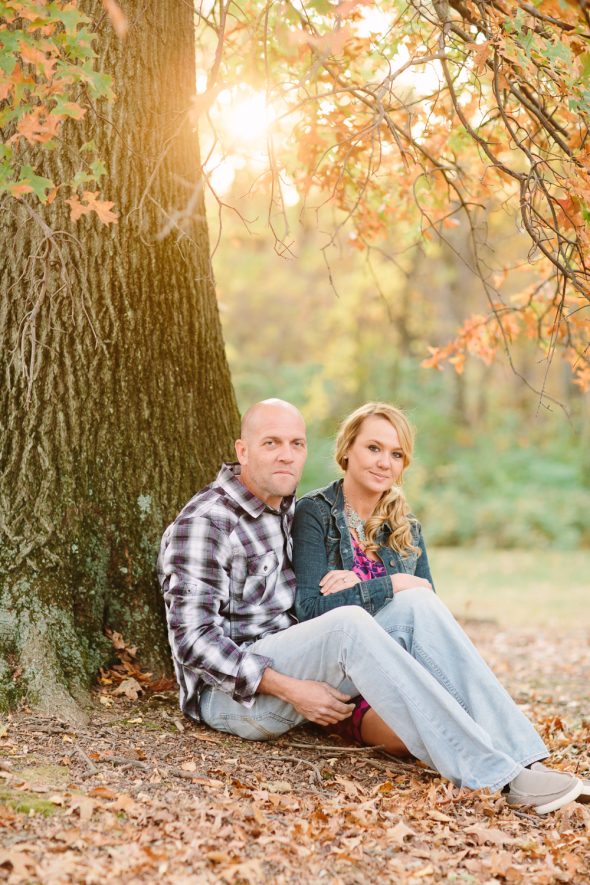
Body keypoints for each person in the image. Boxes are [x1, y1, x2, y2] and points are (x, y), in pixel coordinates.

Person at [157, 398, 584, 814]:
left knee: (416, 600)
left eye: (297, 444)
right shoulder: (208, 522)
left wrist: (366, 583)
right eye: (271, 443)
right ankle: (496, 777)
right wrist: (292, 689)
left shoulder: (283, 508)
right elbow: (193, 643)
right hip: (232, 699)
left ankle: (528, 759)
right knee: (348, 624)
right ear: (243, 450)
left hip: (288, 657)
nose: (286, 456)